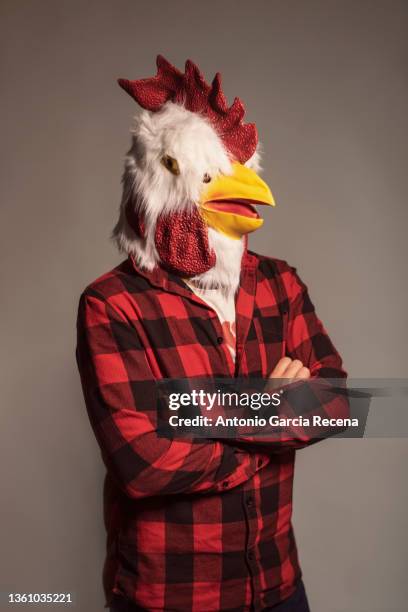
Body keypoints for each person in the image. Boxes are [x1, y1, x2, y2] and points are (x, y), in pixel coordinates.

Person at [76, 56, 347, 612]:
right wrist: (267, 411)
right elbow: (143, 463)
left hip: (278, 586)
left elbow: (339, 402)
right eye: (206, 178)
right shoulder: (112, 304)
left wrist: (190, 413)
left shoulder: (278, 283)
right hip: (170, 596)